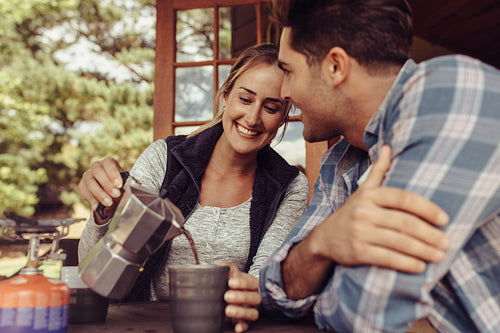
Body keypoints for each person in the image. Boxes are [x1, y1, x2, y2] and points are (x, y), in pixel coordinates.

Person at [259, 0, 500, 332]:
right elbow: (278, 294)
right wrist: (322, 241)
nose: (284, 92)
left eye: (288, 71)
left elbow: (368, 310)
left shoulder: (456, 89)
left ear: (335, 67)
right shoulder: (341, 161)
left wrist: (322, 290)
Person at [77, 43, 311, 333]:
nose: (252, 118)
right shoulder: (164, 158)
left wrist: (248, 290)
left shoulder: (289, 187)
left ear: (282, 117)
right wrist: (106, 214)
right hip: (143, 323)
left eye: (271, 107)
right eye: (245, 99)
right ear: (225, 96)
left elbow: (263, 278)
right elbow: (93, 266)